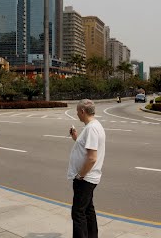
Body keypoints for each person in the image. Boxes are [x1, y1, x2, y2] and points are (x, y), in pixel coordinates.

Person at [68, 99, 106, 238]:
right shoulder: (92, 126)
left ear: (82, 111)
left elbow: (92, 158)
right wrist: (76, 138)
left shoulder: (91, 128)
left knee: (78, 213)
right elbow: (86, 149)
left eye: (77, 111)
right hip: (88, 178)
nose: (77, 114)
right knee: (88, 210)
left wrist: (80, 176)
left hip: (86, 179)